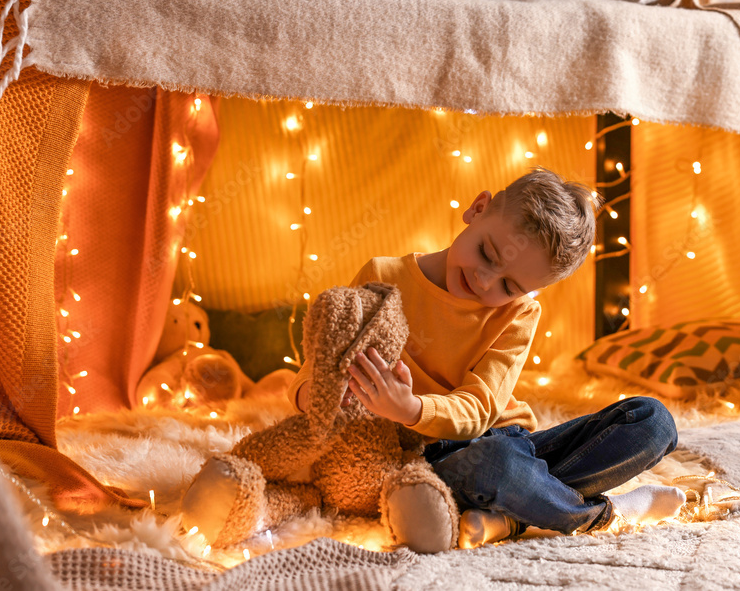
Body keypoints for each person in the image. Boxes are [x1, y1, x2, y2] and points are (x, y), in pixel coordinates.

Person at [287, 166, 684, 548]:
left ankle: (513, 514)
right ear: (477, 210)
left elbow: (480, 407)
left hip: (505, 442)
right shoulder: (383, 276)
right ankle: (594, 514)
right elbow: (321, 363)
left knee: (653, 423)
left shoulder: (520, 313)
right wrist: (319, 397)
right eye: (488, 254)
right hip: (428, 460)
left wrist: (412, 408)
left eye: (509, 284)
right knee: (497, 467)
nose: (484, 280)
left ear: (531, 291)